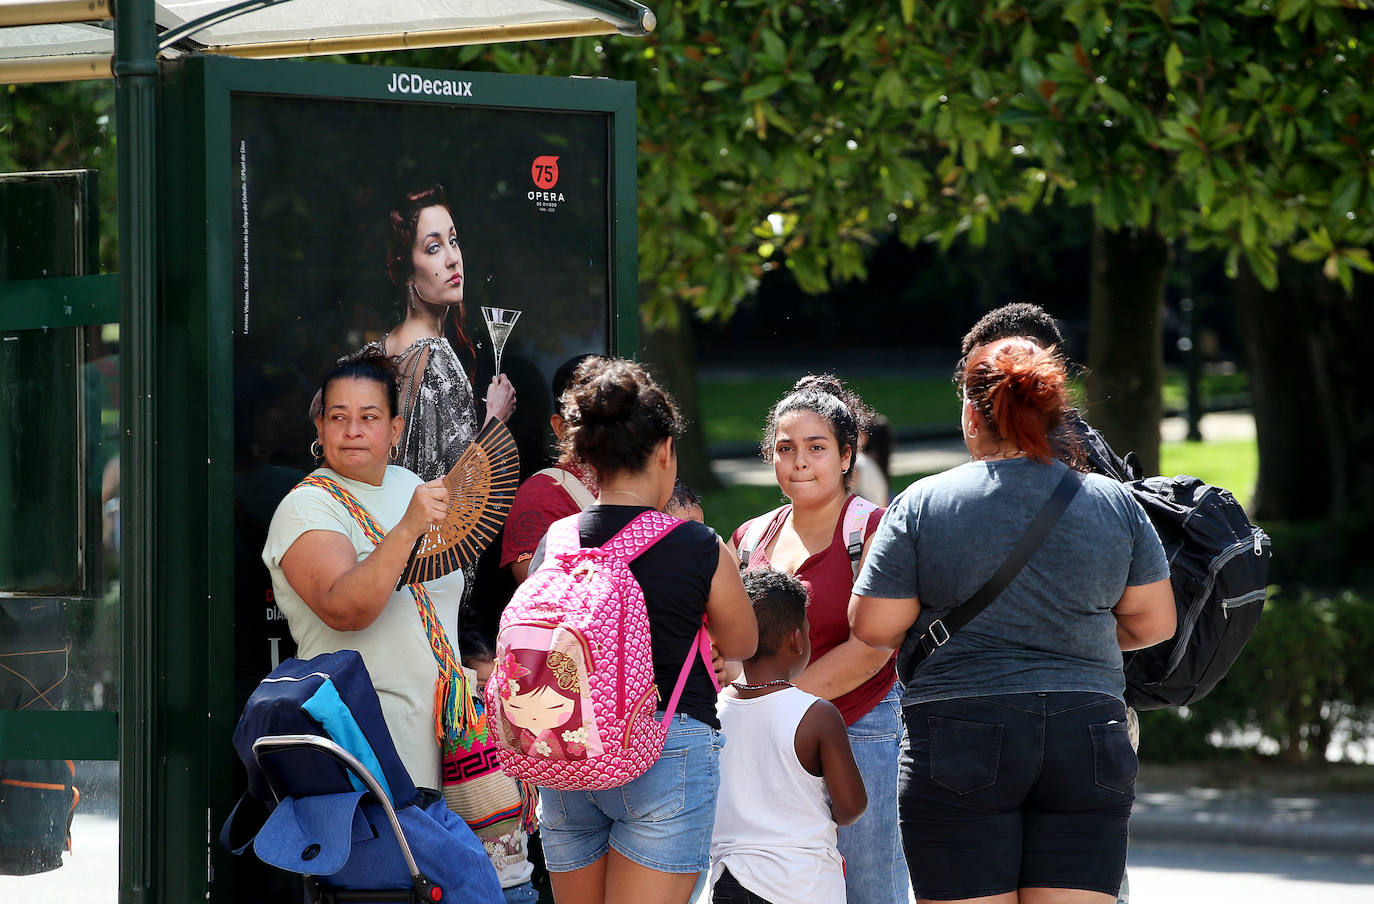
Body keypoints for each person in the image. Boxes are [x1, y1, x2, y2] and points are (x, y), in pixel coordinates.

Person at [848, 338, 1177, 904]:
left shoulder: (924, 503)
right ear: (1054, 418)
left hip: (960, 728)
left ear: (974, 415)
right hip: (1088, 731)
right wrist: (1071, 632)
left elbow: (874, 627)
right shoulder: (1113, 502)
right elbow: (1155, 623)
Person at [528, 357, 757, 904]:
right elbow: (744, 642)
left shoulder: (557, 541)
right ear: (664, 452)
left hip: (568, 746)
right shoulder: (698, 545)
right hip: (666, 748)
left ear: (587, 460)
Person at [729, 375, 909, 904]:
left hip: (862, 731)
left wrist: (784, 707)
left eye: (816, 448)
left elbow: (874, 647)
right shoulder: (748, 537)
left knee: (871, 890)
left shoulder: (874, 529)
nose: (800, 462)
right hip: (763, 741)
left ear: (847, 455)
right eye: (786, 449)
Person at [262, 352, 465, 790]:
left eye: (369, 417)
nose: (353, 431)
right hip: (368, 752)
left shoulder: (409, 484)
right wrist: (409, 526)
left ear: (395, 429)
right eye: (339, 417)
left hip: (451, 745)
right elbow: (346, 609)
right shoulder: (308, 505)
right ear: (320, 429)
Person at [710, 568, 866, 904]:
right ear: (797, 639)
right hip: (803, 884)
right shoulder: (817, 715)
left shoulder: (713, 710)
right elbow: (851, 806)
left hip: (729, 880)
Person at [359, 183, 517, 483]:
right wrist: (496, 418)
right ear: (405, 268)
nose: (452, 258)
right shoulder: (436, 363)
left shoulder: (382, 349)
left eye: (453, 241)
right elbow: (461, 493)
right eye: (433, 247)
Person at [501, 354, 602, 584]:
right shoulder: (540, 495)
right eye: (596, 416)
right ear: (561, 427)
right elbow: (539, 595)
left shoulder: (642, 481)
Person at [458, 633, 541, 904]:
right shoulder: (463, 732)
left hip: (520, 881)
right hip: (480, 889)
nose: (487, 695)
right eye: (480, 686)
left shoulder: (509, 727)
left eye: (492, 685)